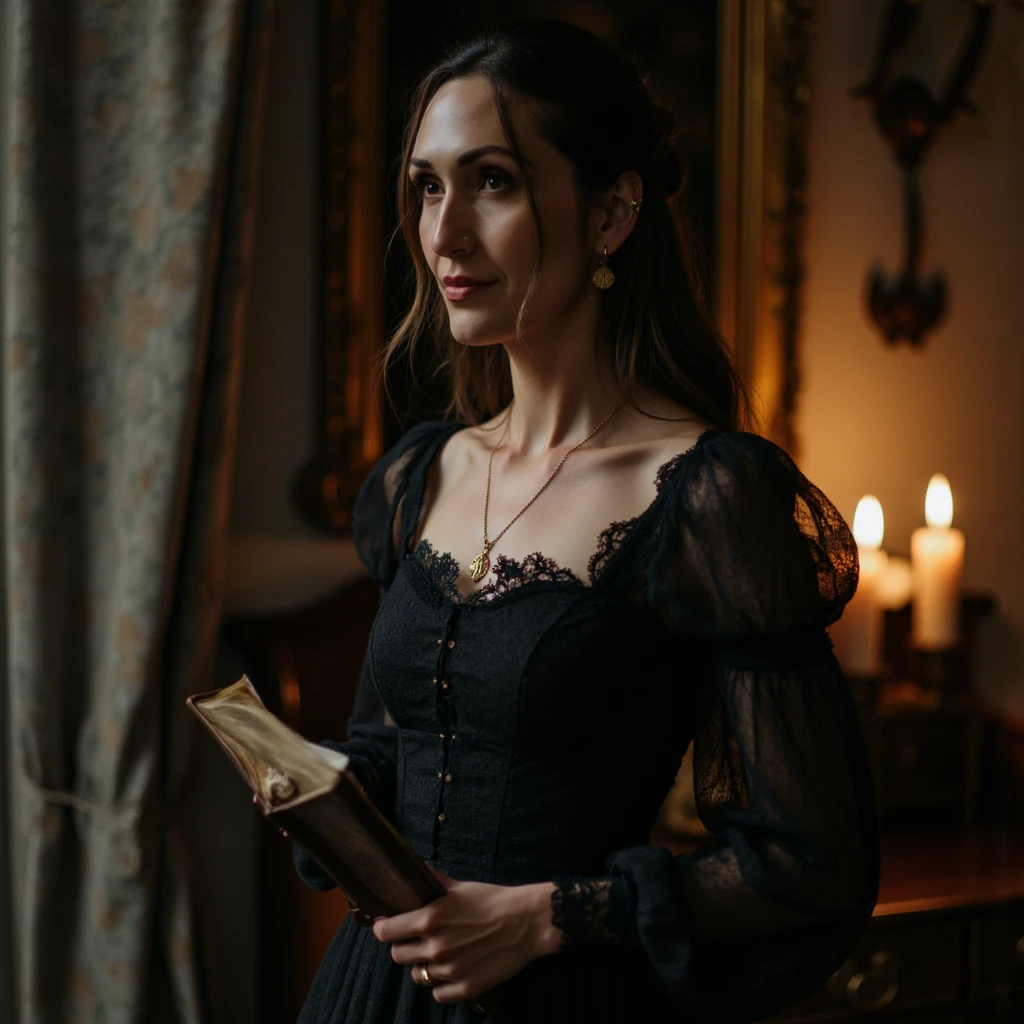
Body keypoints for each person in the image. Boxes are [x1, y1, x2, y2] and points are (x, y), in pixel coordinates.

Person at [289, 19, 880, 1024]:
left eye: (492, 182)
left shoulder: (708, 495)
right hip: (372, 994)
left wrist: (546, 916)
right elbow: (394, 747)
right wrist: (313, 785)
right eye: (427, 187)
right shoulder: (420, 475)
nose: (445, 234)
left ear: (610, 214)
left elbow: (807, 862)